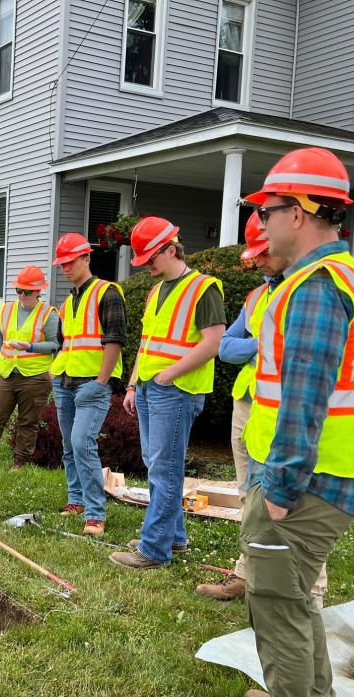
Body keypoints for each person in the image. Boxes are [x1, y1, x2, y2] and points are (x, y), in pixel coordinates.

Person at [213, 148, 354, 697]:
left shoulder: (314, 289)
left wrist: (279, 489)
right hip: (321, 478)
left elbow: (304, 400)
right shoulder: (325, 282)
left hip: (302, 485)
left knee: (276, 608)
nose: (260, 224)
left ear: (303, 212)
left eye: (269, 211)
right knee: (294, 600)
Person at [198, 212, 329, 606]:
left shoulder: (310, 292)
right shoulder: (257, 295)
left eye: (262, 252)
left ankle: (311, 592)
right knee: (249, 498)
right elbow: (226, 347)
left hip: (288, 413)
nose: (256, 261)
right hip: (249, 405)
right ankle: (246, 574)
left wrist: (258, 344)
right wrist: (263, 344)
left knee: (294, 505)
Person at [110, 217, 226, 570]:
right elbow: (147, 342)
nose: (146, 266)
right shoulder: (156, 290)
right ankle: (172, 537)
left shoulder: (203, 288)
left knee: (164, 468)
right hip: (150, 387)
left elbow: (214, 341)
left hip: (176, 390)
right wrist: (133, 384)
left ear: (171, 249)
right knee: (157, 464)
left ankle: (154, 548)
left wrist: (168, 376)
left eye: (151, 259)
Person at [50, 234, 126, 536]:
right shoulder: (68, 302)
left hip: (92, 384)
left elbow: (116, 340)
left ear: (86, 258)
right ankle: (76, 500)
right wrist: (54, 374)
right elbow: (64, 343)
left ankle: (95, 514)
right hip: (65, 381)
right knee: (70, 446)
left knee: (83, 444)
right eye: (62, 264)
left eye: (70, 262)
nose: (66, 268)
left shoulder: (108, 293)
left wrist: (102, 381)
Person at [0, 265, 59, 470]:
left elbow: (55, 344)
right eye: (19, 290)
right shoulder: (6, 309)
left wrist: (31, 347)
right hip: (5, 372)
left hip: (34, 376)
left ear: (38, 291)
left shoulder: (49, 314)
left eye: (27, 291)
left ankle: (20, 462)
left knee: (27, 422)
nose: (22, 295)